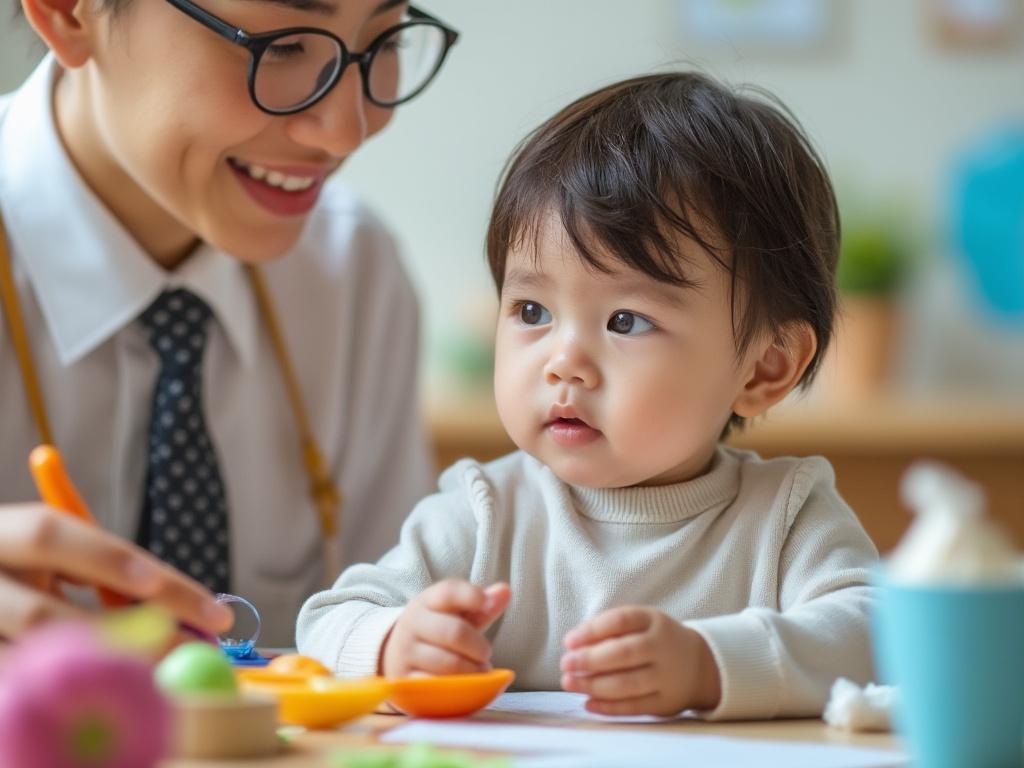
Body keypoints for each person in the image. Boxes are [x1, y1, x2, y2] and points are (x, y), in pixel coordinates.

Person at [296, 72, 879, 720]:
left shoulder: (786, 516)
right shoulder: (487, 512)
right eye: (531, 310)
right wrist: (392, 644)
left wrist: (707, 665)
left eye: (625, 321)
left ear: (763, 369)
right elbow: (328, 624)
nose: (562, 362)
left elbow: (876, 637)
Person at [0, 0, 456, 645]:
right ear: (68, 13)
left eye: (383, 43)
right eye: (282, 46)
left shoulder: (352, 270)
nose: (346, 130)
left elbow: (398, 632)